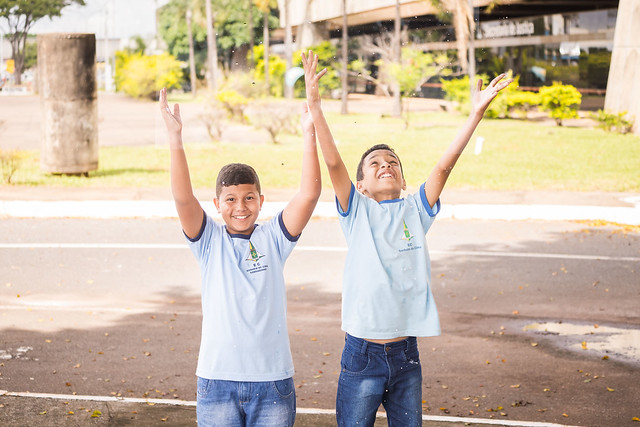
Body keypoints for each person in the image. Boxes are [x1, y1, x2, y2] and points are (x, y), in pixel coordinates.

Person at [301, 50, 512, 426]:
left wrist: (476, 113)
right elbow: (333, 163)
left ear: (402, 179)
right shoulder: (357, 211)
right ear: (361, 185)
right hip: (361, 353)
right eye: (375, 164)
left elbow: (445, 165)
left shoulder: (416, 209)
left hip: (406, 355)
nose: (386, 166)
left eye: (393, 163)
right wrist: (316, 107)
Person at [159, 87, 321, 426]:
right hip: (217, 382)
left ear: (261, 200)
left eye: (248, 198)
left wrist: (310, 130)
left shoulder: (274, 238)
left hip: (272, 382)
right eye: (230, 200)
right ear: (217, 205)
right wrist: (175, 139)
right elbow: (183, 197)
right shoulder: (209, 242)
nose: (240, 207)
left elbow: (309, 194)